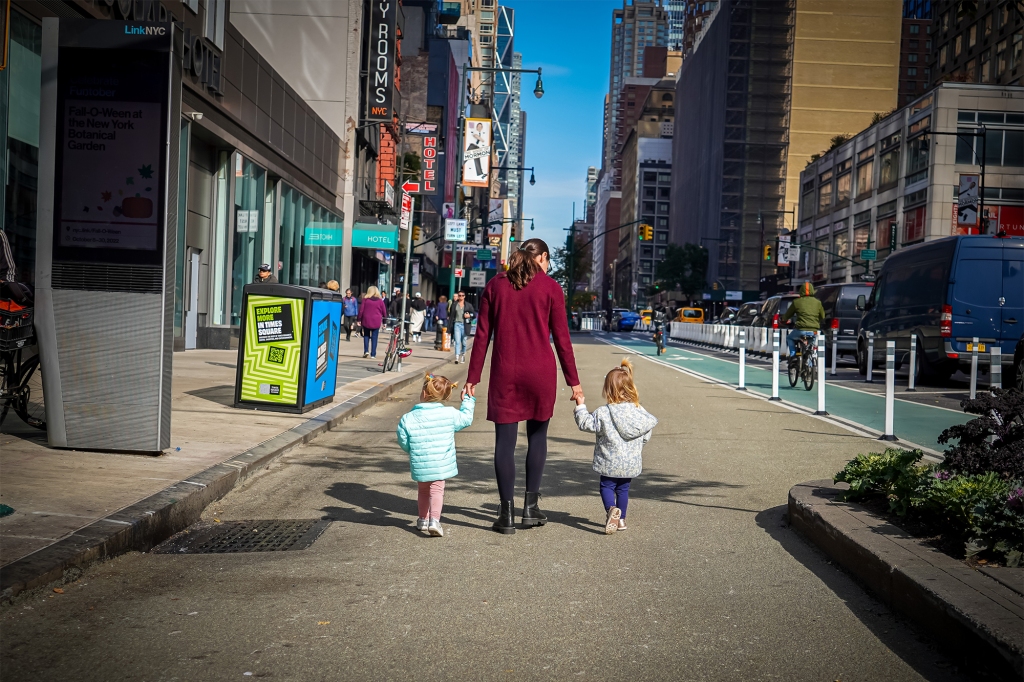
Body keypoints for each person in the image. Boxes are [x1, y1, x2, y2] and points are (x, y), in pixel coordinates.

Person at [464, 238, 582, 534]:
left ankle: (506, 515)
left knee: (504, 443)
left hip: (506, 372)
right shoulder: (551, 288)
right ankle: (530, 509)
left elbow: (482, 336)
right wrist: (574, 382)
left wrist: (472, 377)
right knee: (537, 438)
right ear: (541, 257)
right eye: (547, 260)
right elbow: (562, 340)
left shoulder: (495, 285)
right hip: (541, 373)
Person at [573, 359, 658, 534]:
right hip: (630, 462)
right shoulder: (638, 410)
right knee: (623, 489)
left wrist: (580, 405)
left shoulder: (604, 413)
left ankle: (611, 510)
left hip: (609, 462)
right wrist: (637, 446)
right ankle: (621, 520)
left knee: (606, 487)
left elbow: (586, 424)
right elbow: (645, 433)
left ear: (608, 390)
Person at [396, 373, 475, 537]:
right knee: (437, 490)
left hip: (420, 463)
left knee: (423, 491)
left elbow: (403, 439)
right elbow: (466, 419)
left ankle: (422, 520)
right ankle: (434, 521)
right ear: (446, 396)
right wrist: (468, 400)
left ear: (424, 393)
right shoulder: (450, 414)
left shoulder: (408, 418)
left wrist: (411, 450)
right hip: (440, 463)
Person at [781, 281, 825, 355]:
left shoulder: (796, 302)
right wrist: (816, 321)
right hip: (813, 331)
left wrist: (783, 319)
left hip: (800, 330)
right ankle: (810, 363)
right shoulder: (818, 302)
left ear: (801, 290)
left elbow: (787, 315)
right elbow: (823, 316)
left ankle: (793, 354)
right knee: (811, 347)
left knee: (789, 338)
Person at [357, 285, 387, 358]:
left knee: (366, 335)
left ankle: (366, 350)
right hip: (376, 320)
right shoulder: (380, 301)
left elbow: (361, 310)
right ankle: (373, 354)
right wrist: (385, 322)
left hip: (366, 319)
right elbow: (384, 312)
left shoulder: (365, 300)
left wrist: (359, 319)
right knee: (375, 337)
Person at [447, 292, 474, 363]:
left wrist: (469, 315)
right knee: (457, 341)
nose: (461, 297)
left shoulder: (468, 305)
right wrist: (448, 329)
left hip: (465, 325)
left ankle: (463, 355)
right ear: (458, 296)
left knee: (464, 342)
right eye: (459, 295)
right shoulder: (454, 304)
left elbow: (474, 314)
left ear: (464, 296)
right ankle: (457, 357)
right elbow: (451, 317)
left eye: (462, 295)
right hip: (457, 324)